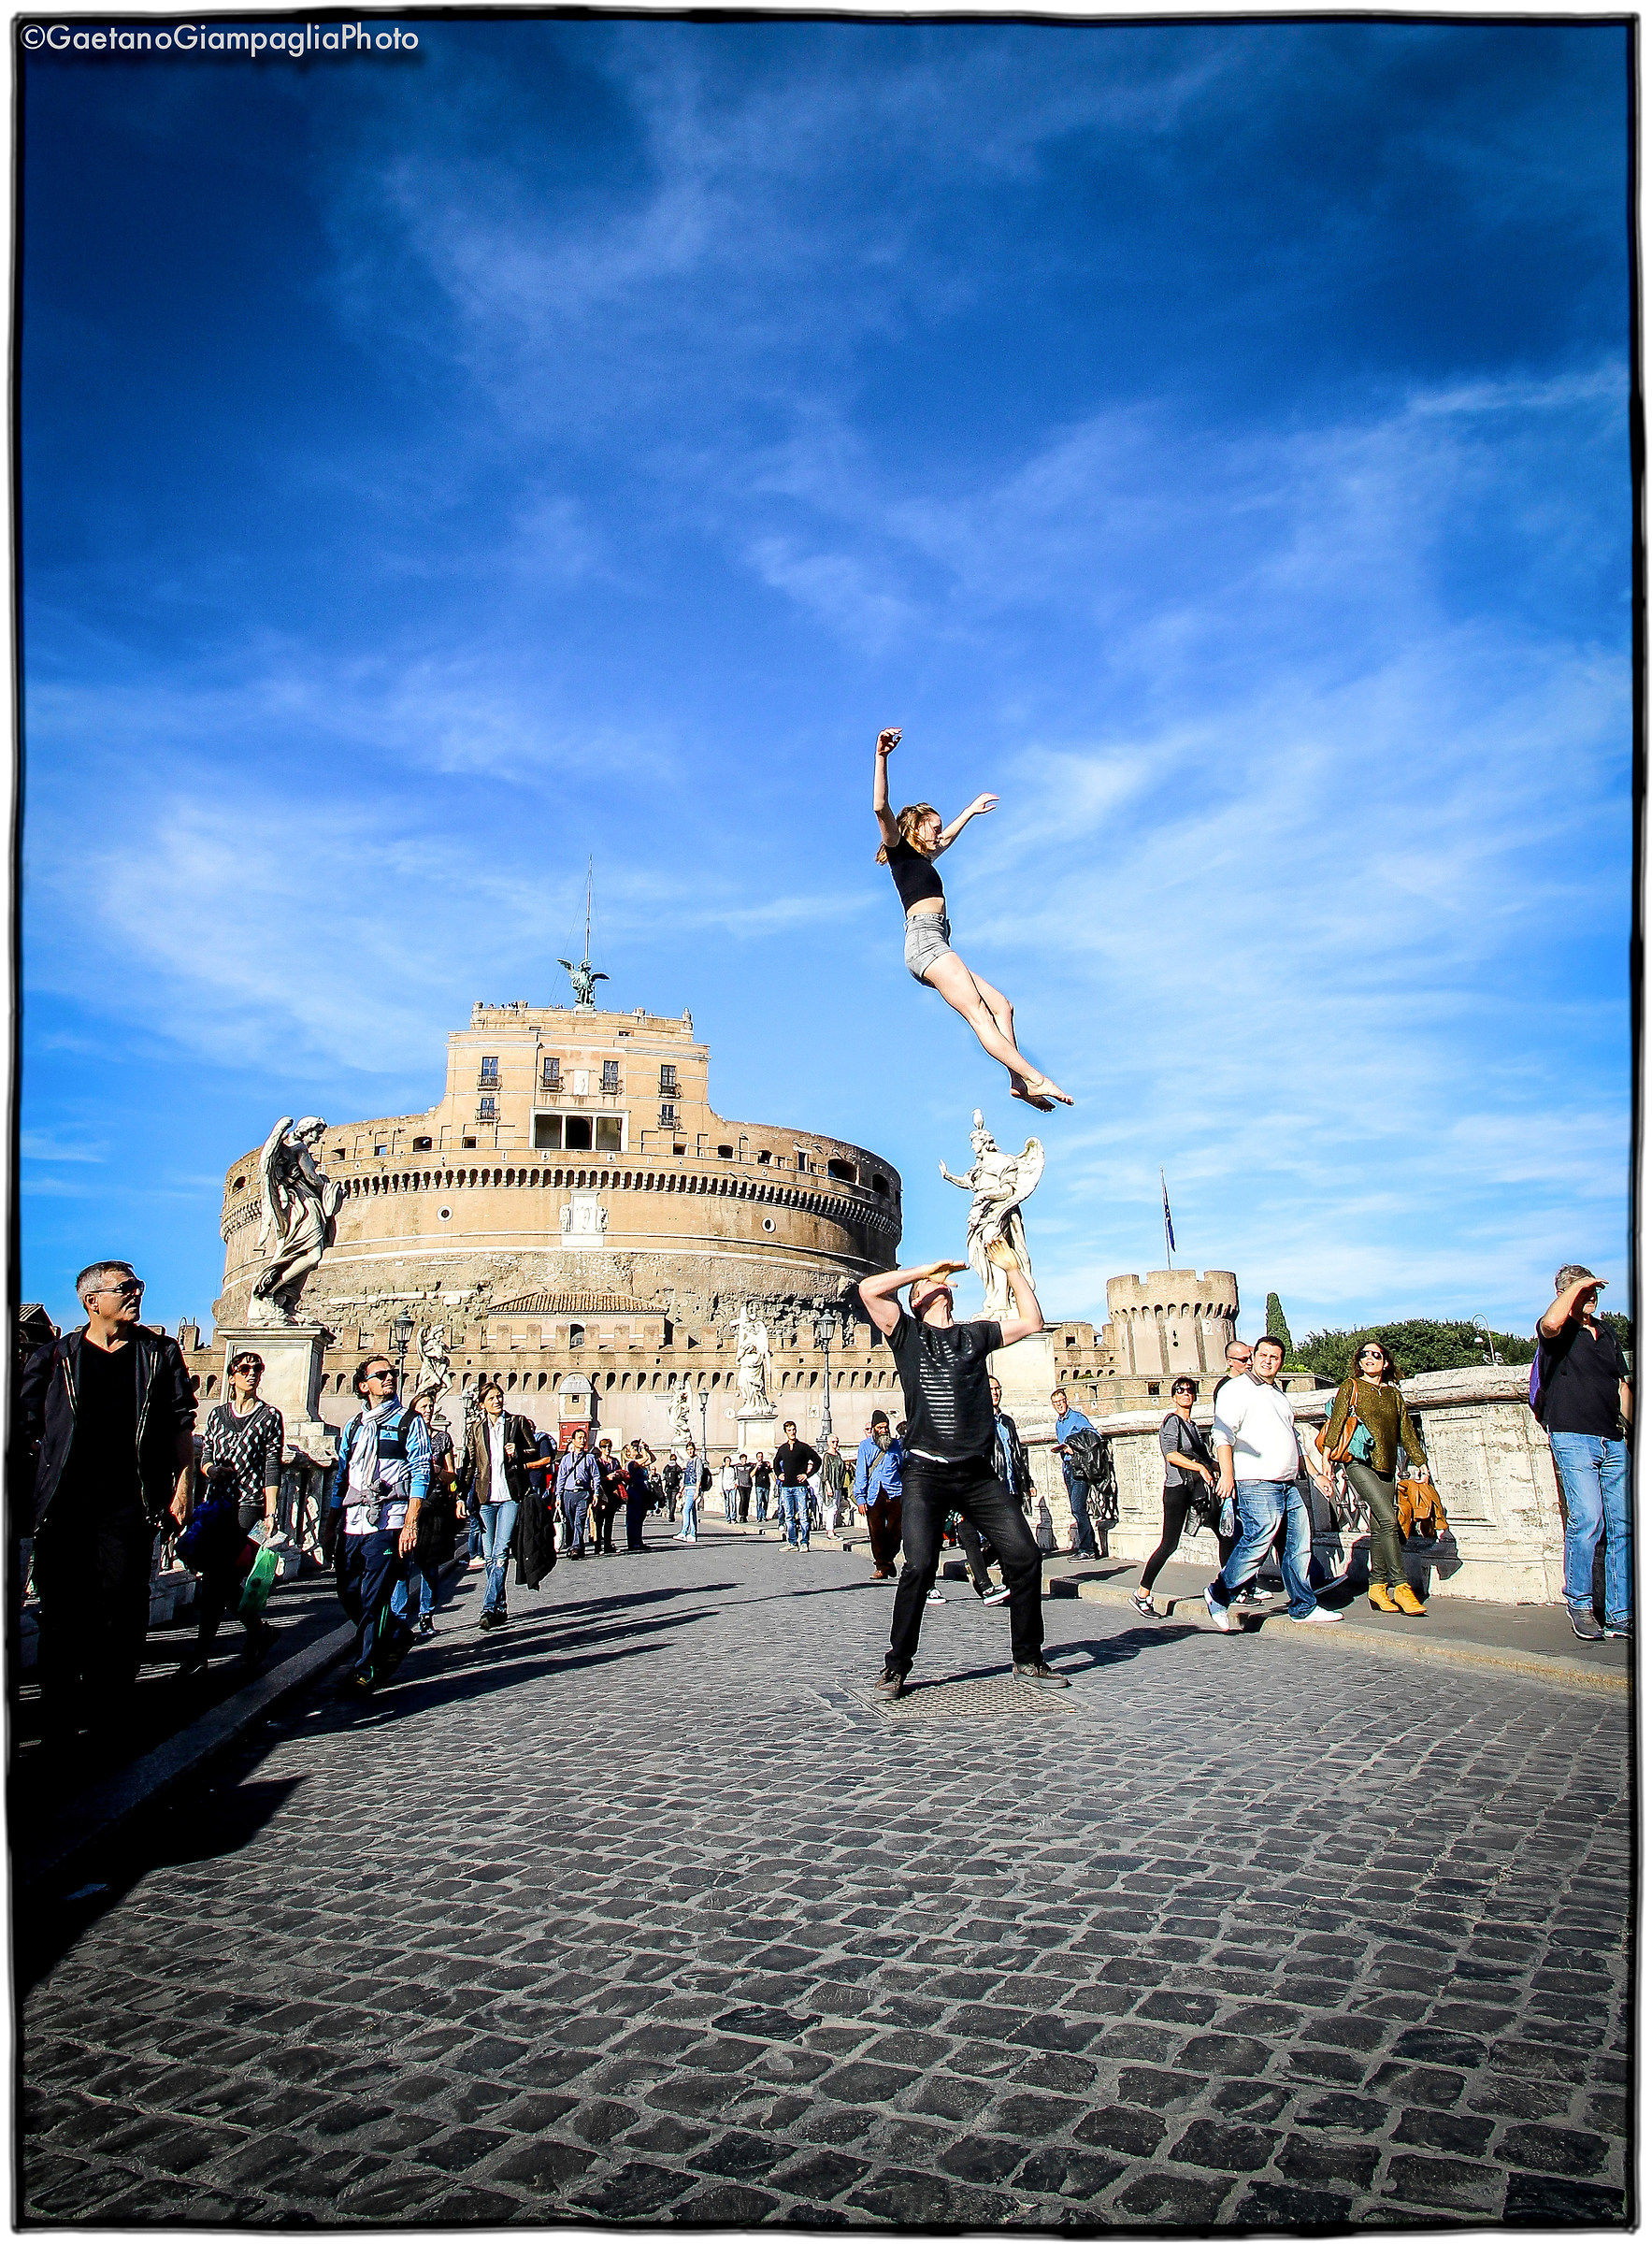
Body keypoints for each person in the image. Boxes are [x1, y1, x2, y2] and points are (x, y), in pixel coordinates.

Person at [859, 1244, 1067, 1696]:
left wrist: (1013, 1271)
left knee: (1026, 1558)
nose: (941, 1283)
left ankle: (1028, 1657)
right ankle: (897, 1665)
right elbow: (869, 1289)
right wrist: (924, 1268)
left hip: (977, 1476)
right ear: (916, 1299)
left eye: (941, 1280)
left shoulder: (975, 1336)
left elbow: (1032, 1323)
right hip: (925, 1475)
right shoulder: (907, 1335)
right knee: (919, 1566)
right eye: (931, 1284)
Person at [18, 1261, 195, 1745]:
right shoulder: (57, 1358)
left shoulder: (159, 1355)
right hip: (63, 1508)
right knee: (61, 1614)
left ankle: (107, 1711)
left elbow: (181, 1424)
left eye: (139, 1287)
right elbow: (26, 1427)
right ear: (91, 1301)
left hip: (129, 1507)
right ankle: (58, 1718)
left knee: (123, 1613)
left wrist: (183, 1487)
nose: (137, 1294)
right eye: (127, 1288)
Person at [872, 726, 1070, 1113]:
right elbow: (881, 806)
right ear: (915, 827)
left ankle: (1018, 1082)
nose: (939, 831)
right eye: (933, 824)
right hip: (924, 944)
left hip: (938, 944)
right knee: (979, 1013)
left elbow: (946, 840)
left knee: (1002, 1007)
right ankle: (1033, 1075)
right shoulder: (899, 848)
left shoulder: (924, 857)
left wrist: (971, 811)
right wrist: (881, 756)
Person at [1206, 1336, 1338, 1631]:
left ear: (1281, 1361)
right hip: (1256, 1481)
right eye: (1263, 1355)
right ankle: (1219, 1593)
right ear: (1253, 1356)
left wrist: (1316, 1475)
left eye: (1274, 1357)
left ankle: (1303, 1606)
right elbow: (1223, 1435)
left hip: (1288, 1483)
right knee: (1256, 1542)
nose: (1268, 1361)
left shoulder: (1278, 1395)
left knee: (1298, 1545)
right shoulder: (1235, 1390)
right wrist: (1227, 1475)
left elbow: (1294, 1441)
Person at [1536, 1266, 1633, 1641]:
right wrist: (1575, 1288)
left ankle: (1620, 1613)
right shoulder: (1558, 1333)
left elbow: (1621, 1386)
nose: (1591, 1297)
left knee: (1622, 1526)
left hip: (1612, 1438)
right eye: (1584, 1291)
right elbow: (1551, 1322)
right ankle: (1579, 1603)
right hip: (1573, 1435)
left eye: (1595, 1291)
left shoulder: (1606, 1332)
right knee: (1588, 1519)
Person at [328, 1355, 429, 1692]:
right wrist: (331, 1520)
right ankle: (397, 1633)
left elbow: (421, 1471)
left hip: (390, 1518)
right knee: (348, 1590)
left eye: (392, 1373)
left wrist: (410, 1523)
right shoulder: (354, 1427)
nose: (390, 1378)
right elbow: (341, 1475)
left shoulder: (410, 1422)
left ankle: (366, 1667)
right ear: (363, 1385)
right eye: (381, 1374)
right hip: (353, 1521)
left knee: (374, 1597)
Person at [1314, 1343, 1432, 1618]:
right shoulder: (1351, 1386)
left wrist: (1420, 1462)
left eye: (1375, 1355)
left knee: (1381, 1526)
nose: (1369, 1358)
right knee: (1390, 1520)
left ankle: (1377, 1586)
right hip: (1357, 1462)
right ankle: (1401, 1586)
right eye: (1364, 1355)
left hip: (1387, 1466)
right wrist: (1327, 1459)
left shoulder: (1394, 1395)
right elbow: (1339, 1420)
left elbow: (1406, 1431)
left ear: (1386, 1363)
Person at [189, 1348, 285, 1671]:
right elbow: (205, 1456)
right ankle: (259, 1629)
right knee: (218, 1576)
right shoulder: (216, 1415)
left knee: (218, 1576)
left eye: (257, 1368)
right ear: (231, 1376)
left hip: (247, 1504)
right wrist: (209, 1471)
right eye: (244, 1369)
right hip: (216, 1503)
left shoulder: (270, 1416)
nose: (251, 1373)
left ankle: (201, 1655)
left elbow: (272, 1465)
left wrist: (270, 1513)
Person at [1135, 1376, 1227, 1617]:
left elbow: (1204, 1459)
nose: (1186, 1394)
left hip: (1197, 1490)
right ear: (1174, 1396)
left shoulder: (1194, 1426)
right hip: (1177, 1489)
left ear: (1195, 1396)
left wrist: (1226, 1468)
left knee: (1225, 1533)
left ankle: (1232, 1586)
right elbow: (1171, 1455)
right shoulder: (1171, 1422)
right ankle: (1142, 1593)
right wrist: (1201, 1469)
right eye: (1181, 1390)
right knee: (1169, 1544)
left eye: (1190, 1390)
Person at [467, 1383, 538, 1627]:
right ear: (482, 1404)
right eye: (491, 1398)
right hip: (485, 1498)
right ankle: (500, 1606)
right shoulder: (476, 1429)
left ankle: (487, 1608)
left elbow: (534, 1450)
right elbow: (471, 1464)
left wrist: (518, 1451)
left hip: (510, 1497)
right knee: (489, 1557)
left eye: (499, 1397)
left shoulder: (516, 1423)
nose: (497, 1401)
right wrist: (459, 1496)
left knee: (500, 1551)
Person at [396, 1393, 462, 1638]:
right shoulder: (405, 1436)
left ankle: (426, 1615)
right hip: (408, 1506)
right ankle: (400, 1617)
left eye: (431, 1406)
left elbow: (452, 1476)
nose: (428, 1409)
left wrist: (438, 1473)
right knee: (402, 1564)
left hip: (434, 1506)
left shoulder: (441, 1438)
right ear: (413, 1409)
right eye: (423, 1406)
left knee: (429, 1566)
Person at [1049, 1389, 1103, 1561]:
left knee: (1078, 1508)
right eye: (1055, 1402)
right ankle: (1089, 1545)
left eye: (1061, 1400)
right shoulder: (1059, 1423)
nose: (1059, 1404)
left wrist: (1074, 1446)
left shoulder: (1077, 1418)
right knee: (1076, 1508)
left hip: (1079, 1468)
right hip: (1067, 1467)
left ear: (1066, 1400)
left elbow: (1094, 1436)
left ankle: (1087, 1549)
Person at [854, 1412, 904, 1578]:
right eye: (879, 1427)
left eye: (885, 1427)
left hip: (895, 1491)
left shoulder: (896, 1445)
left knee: (896, 1531)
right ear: (874, 1429)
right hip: (874, 1493)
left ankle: (887, 1561)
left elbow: (903, 1467)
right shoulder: (865, 1446)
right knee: (876, 1532)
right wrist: (860, 1497)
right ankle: (882, 1566)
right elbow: (861, 1472)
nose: (883, 1430)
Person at [773, 1421, 822, 1552]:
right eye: (789, 1430)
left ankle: (805, 1542)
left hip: (800, 1487)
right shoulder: (783, 1448)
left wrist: (808, 1475)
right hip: (786, 1487)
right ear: (786, 1432)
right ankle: (792, 1542)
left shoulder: (803, 1447)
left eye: (793, 1429)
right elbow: (776, 1462)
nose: (792, 1432)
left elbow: (817, 1460)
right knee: (789, 1516)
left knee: (804, 1516)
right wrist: (779, 1474)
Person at [556, 1427, 602, 1558]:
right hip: (568, 1493)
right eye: (579, 1438)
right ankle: (574, 1546)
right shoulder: (566, 1459)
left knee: (579, 1521)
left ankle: (576, 1547)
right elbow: (561, 1478)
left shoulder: (590, 1458)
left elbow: (596, 1476)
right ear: (573, 1441)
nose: (582, 1441)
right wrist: (558, 1496)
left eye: (584, 1438)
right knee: (570, 1522)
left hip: (583, 1493)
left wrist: (596, 1493)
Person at [593, 1436, 624, 1555]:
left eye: (609, 1447)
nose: (607, 1449)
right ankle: (597, 1546)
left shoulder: (615, 1461)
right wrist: (606, 1478)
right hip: (601, 1493)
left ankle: (607, 1544)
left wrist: (617, 1476)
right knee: (599, 1520)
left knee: (610, 1521)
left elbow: (621, 1473)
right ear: (601, 1448)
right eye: (605, 1447)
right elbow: (595, 1478)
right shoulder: (597, 1462)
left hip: (613, 1494)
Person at [624, 1441, 656, 1552]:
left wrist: (647, 1449)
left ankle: (638, 1540)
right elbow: (646, 1459)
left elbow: (652, 1459)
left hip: (642, 1492)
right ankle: (632, 1542)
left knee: (640, 1518)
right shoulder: (631, 1464)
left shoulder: (639, 1464)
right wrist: (642, 1449)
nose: (636, 1451)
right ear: (628, 1454)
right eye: (633, 1449)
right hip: (634, 1491)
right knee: (633, 1518)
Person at [820, 1435, 851, 1537]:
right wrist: (828, 1486)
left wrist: (846, 1467)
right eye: (833, 1442)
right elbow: (824, 1473)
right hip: (831, 1484)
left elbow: (840, 1469)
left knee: (836, 1507)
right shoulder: (827, 1456)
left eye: (837, 1442)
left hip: (838, 1485)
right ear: (828, 1443)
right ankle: (830, 1530)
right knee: (831, 1507)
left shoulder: (838, 1455)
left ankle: (832, 1528)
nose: (835, 1444)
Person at [675, 1442, 704, 1541]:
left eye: (691, 1449)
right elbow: (685, 1477)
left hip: (693, 1488)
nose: (690, 1451)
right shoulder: (689, 1461)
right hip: (687, 1488)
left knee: (685, 1510)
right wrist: (681, 1490)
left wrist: (697, 1490)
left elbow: (699, 1475)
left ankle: (684, 1532)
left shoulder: (697, 1460)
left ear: (694, 1449)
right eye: (688, 1449)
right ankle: (693, 1533)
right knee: (691, 1511)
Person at [734, 1453, 754, 1523]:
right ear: (740, 1460)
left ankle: (745, 1515)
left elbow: (755, 1464)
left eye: (745, 1459)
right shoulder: (737, 1466)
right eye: (743, 1459)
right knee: (743, 1499)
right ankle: (741, 1515)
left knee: (747, 1500)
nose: (744, 1461)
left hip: (748, 1485)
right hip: (741, 1485)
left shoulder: (750, 1466)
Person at [753, 1454, 772, 1523]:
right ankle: (759, 1517)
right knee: (759, 1502)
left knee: (766, 1502)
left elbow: (771, 1473)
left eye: (761, 1456)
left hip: (766, 1485)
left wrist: (776, 1482)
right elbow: (751, 1475)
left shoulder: (766, 1465)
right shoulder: (755, 1465)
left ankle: (764, 1516)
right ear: (756, 1458)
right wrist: (757, 1466)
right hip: (759, 1485)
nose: (760, 1458)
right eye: (758, 1457)